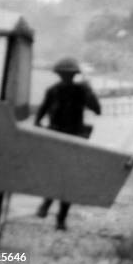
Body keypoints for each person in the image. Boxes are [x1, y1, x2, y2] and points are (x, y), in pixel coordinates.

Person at [34, 57, 101, 230]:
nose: (66, 77)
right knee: (68, 178)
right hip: (72, 139)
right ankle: (59, 218)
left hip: (60, 138)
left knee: (59, 176)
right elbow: (97, 109)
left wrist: (40, 127)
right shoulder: (77, 91)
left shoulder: (58, 91)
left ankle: (48, 206)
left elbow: (39, 116)